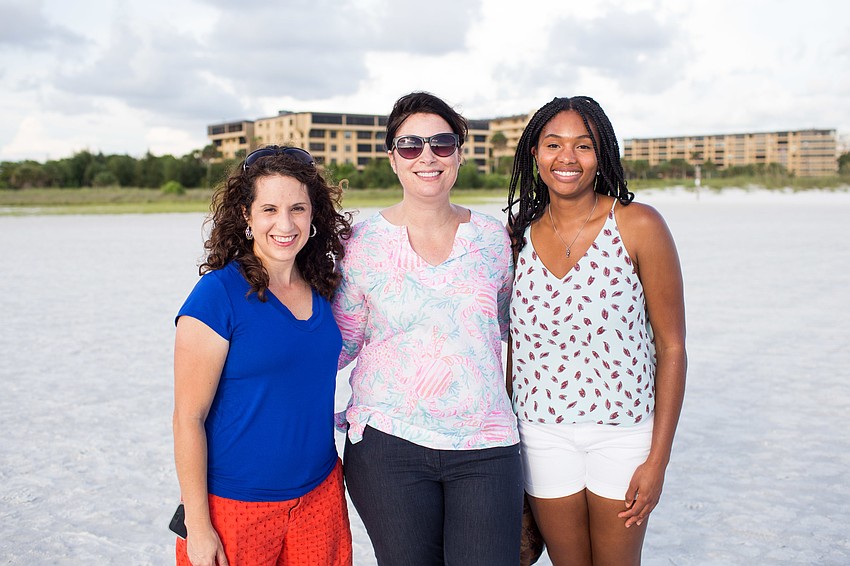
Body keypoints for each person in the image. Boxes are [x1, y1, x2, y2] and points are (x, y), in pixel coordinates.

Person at [332, 92, 523, 566]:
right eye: (411, 145)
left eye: (441, 143)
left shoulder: (495, 239)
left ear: (459, 152)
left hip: (486, 445)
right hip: (387, 446)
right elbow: (338, 344)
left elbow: (511, 329)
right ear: (392, 157)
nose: (428, 156)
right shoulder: (359, 245)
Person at [506, 96, 687, 566]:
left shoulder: (638, 225)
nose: (567, 158)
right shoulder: (517, 234)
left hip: (623, 434)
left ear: (602, 154)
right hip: (541, 434)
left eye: (583, 146)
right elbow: (513, 347)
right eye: (553, 144)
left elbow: (672, 347)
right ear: (535, 154)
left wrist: (658, 461)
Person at [172, 146, 354, 566]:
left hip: (319, 498)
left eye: (298, 208)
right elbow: (187, 418)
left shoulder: (324, 286)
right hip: (235, 506)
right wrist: (198, 528)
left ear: (314, 215)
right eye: (269, 209)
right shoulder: (216, 296)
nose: (285, 224)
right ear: (246, 216)